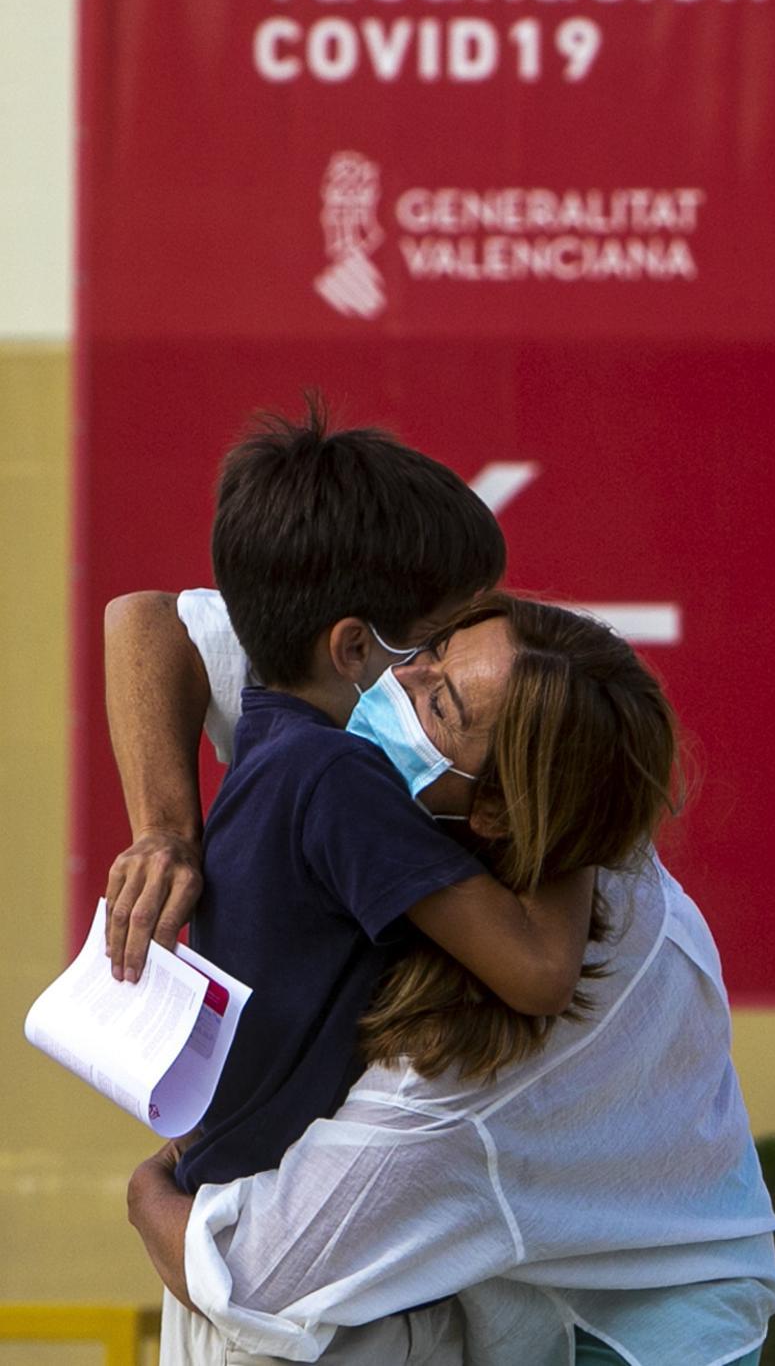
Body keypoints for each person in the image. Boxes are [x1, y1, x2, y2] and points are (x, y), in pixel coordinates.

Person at [126, 593, 775, 1366]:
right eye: (430, 650)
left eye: (440, 704)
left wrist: (149, 1191)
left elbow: (256, 1276)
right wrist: (165, 831)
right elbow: (153, 624)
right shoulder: (539, 821)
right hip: (566, 1259)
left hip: (622, 1336)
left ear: (501, 813)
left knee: (277, 1339)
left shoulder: (466, 1077)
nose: (399, 686)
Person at [125, 409, 596, 1199]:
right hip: (282, 1269)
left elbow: (139, 617)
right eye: (437, 644)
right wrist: (571, 786)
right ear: (354, 649)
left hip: (225, 1206)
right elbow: (540, 971)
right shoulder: (335, 777)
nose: (432, 671)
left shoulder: (271, 728)